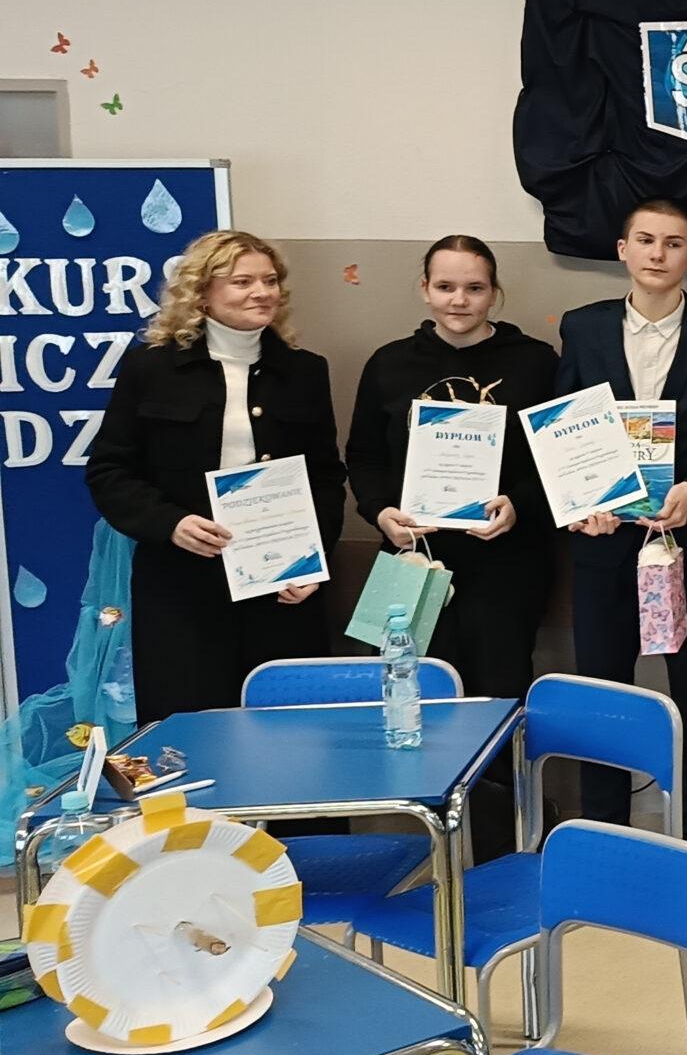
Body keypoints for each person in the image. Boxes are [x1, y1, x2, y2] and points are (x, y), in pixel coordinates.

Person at [345, 236, 560, 862]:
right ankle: (438, 843)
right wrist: (380, 512)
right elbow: (363, 457)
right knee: (426, 703)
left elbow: (557, 457)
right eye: (445, 286)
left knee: (499, 698)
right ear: (424, 290)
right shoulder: (389, 363)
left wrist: (519, 504)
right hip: (415, 563)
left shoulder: (535, 362)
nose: (459, 300)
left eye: (474, 288)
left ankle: (502, 850)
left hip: (506, 562)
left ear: (494, 292)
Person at [555, 198, 687, 850]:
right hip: (602, 542)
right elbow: (563, 428)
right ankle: (605, 834)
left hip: (684, 542)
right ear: (623, 250)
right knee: (603, 694)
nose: (657, 253)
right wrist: (579, 500)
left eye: (673, 244)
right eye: (645, 240)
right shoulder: (582, 327)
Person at [87, 230, 346, 722]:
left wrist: (313, 564)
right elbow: (109, 471)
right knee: (186, 732)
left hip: (281, 588)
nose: (262, 292)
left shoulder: (305, 371)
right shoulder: (152, 368)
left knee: (286, 734)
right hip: (181, 589)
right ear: (202, 292)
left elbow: (326, 479)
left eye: (270, 281)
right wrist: (171, 523)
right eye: (242, 281)